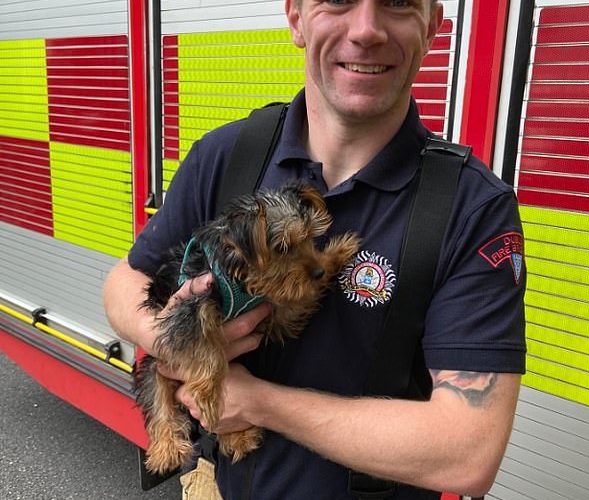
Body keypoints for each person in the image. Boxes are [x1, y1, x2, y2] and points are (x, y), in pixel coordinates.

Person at [103, 0, 526, 498]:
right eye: (338, 1)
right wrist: (177, 339)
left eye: (398, 3)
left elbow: (467, 454)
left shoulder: (472, 208)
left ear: (432, 26)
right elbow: (124, 282)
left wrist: (256, 403)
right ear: (296, 18)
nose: (366, 30)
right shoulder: (226, 154)